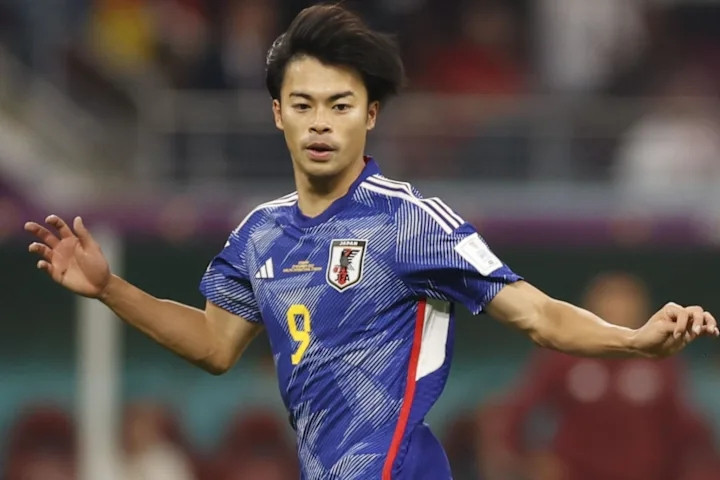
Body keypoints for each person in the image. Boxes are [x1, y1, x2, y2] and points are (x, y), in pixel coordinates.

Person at [24, 5, 718, 480]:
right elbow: (214, 345)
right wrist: (110, 288)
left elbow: (537, 314)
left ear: (371, 114)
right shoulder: (258, 233)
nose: (320, 123)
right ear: (277, 114)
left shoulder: (412, 222)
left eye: (341, 104)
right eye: (303, 105)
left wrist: (634, 341)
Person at [502, 272, 720, 480]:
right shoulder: (563, 357)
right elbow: (519, 411)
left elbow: (685, 429)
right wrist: (529, 460)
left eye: (627, 300)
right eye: (610, 298)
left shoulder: (662, 361)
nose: (619, 308)